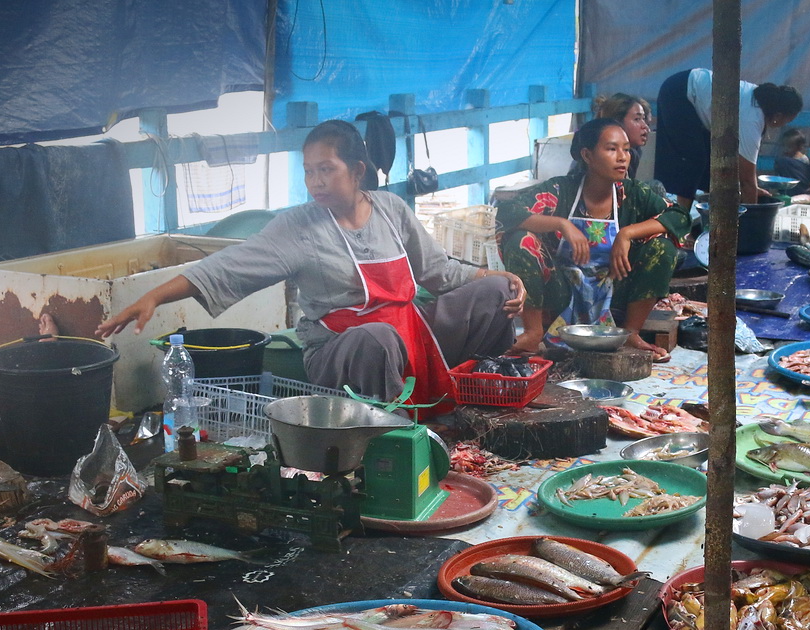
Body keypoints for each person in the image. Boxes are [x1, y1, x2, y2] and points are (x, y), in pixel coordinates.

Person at [97, 119, 525, 414]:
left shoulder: (391, 209)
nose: (315, 181)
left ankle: (478, 398)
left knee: (495, 295)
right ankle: (395, 433)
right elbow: (226, 267)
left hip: (413, 333)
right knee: (377, 337)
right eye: (308, 171)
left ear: (357, 171)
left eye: (326, 169)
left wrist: (498, 276)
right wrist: (153, 297)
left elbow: (439, 272)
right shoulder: (299, 227)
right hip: (344, 352)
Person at [496, 117, 690, 362]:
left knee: (662, 247)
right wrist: (561, 224)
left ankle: (630, 332)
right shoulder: (562, 190)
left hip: (615, 290)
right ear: (587, 155)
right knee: (521, 240)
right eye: (612, 149)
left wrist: (627, 234)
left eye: (626, 149)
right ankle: (534, 332)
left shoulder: (632, 193)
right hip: (562, 292)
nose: (623, 157)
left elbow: (679, 216)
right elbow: (507, 211)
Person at [653, 67, 803, 213]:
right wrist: (751, 218)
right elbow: (747, 181)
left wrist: (752, 189)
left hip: (689, 89)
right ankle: (681, 218)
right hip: (679, 92)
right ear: (778, 116)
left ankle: (709, 212)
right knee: (694, 161)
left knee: (713, 163)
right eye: (788, 120)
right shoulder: (752, 119)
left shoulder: (760, 100)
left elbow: (745, 175)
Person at [595, 93, 652, 179]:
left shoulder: (634, 153)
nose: (645, 127)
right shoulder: (600, 155)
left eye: (643, 119)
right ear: (617, 122)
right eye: (637, 119)